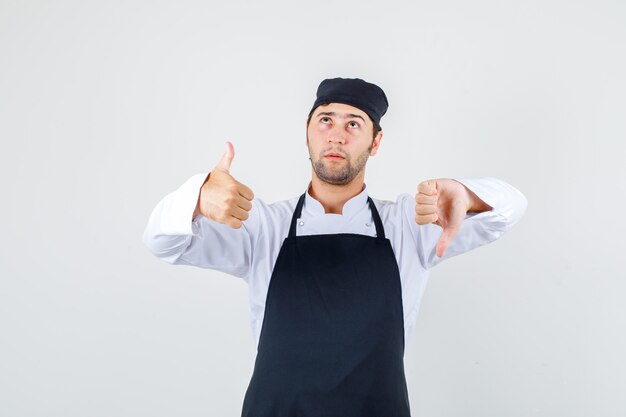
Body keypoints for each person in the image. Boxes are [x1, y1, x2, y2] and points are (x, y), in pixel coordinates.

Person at [142, 77, 528, 417]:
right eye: (325, 120)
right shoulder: (263, 227)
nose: (336, 135)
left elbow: (512, 207)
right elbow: (162, 242)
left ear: (375, 142)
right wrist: (196, 196)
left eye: (353, 124)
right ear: (307, 133)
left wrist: (467, 195)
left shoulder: (409, 226)